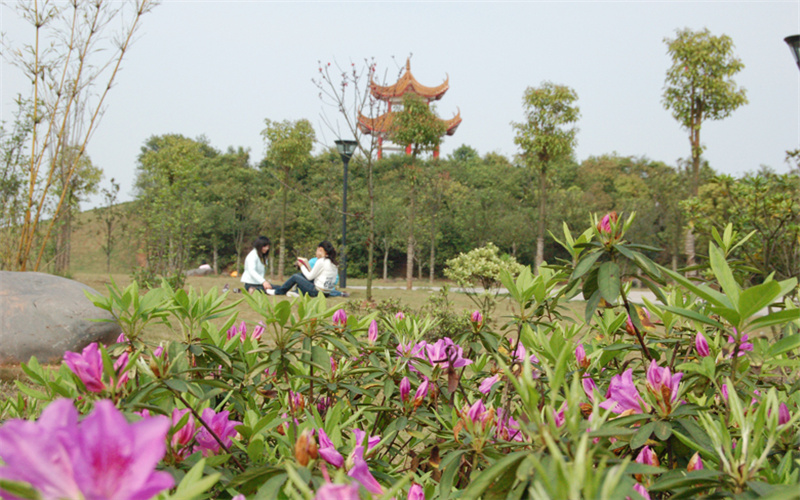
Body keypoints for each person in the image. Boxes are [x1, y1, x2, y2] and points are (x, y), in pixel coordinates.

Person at [268, 241, 342, 297]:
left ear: (320, 249)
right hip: (326, 293)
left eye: (317, 250)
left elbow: (310, 277)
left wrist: (301, 266)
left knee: (295, 277)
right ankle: (296, 293)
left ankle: (278, 292)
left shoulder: (321, 261)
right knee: (300, 275)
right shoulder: (333, 262)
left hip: (317, 292)